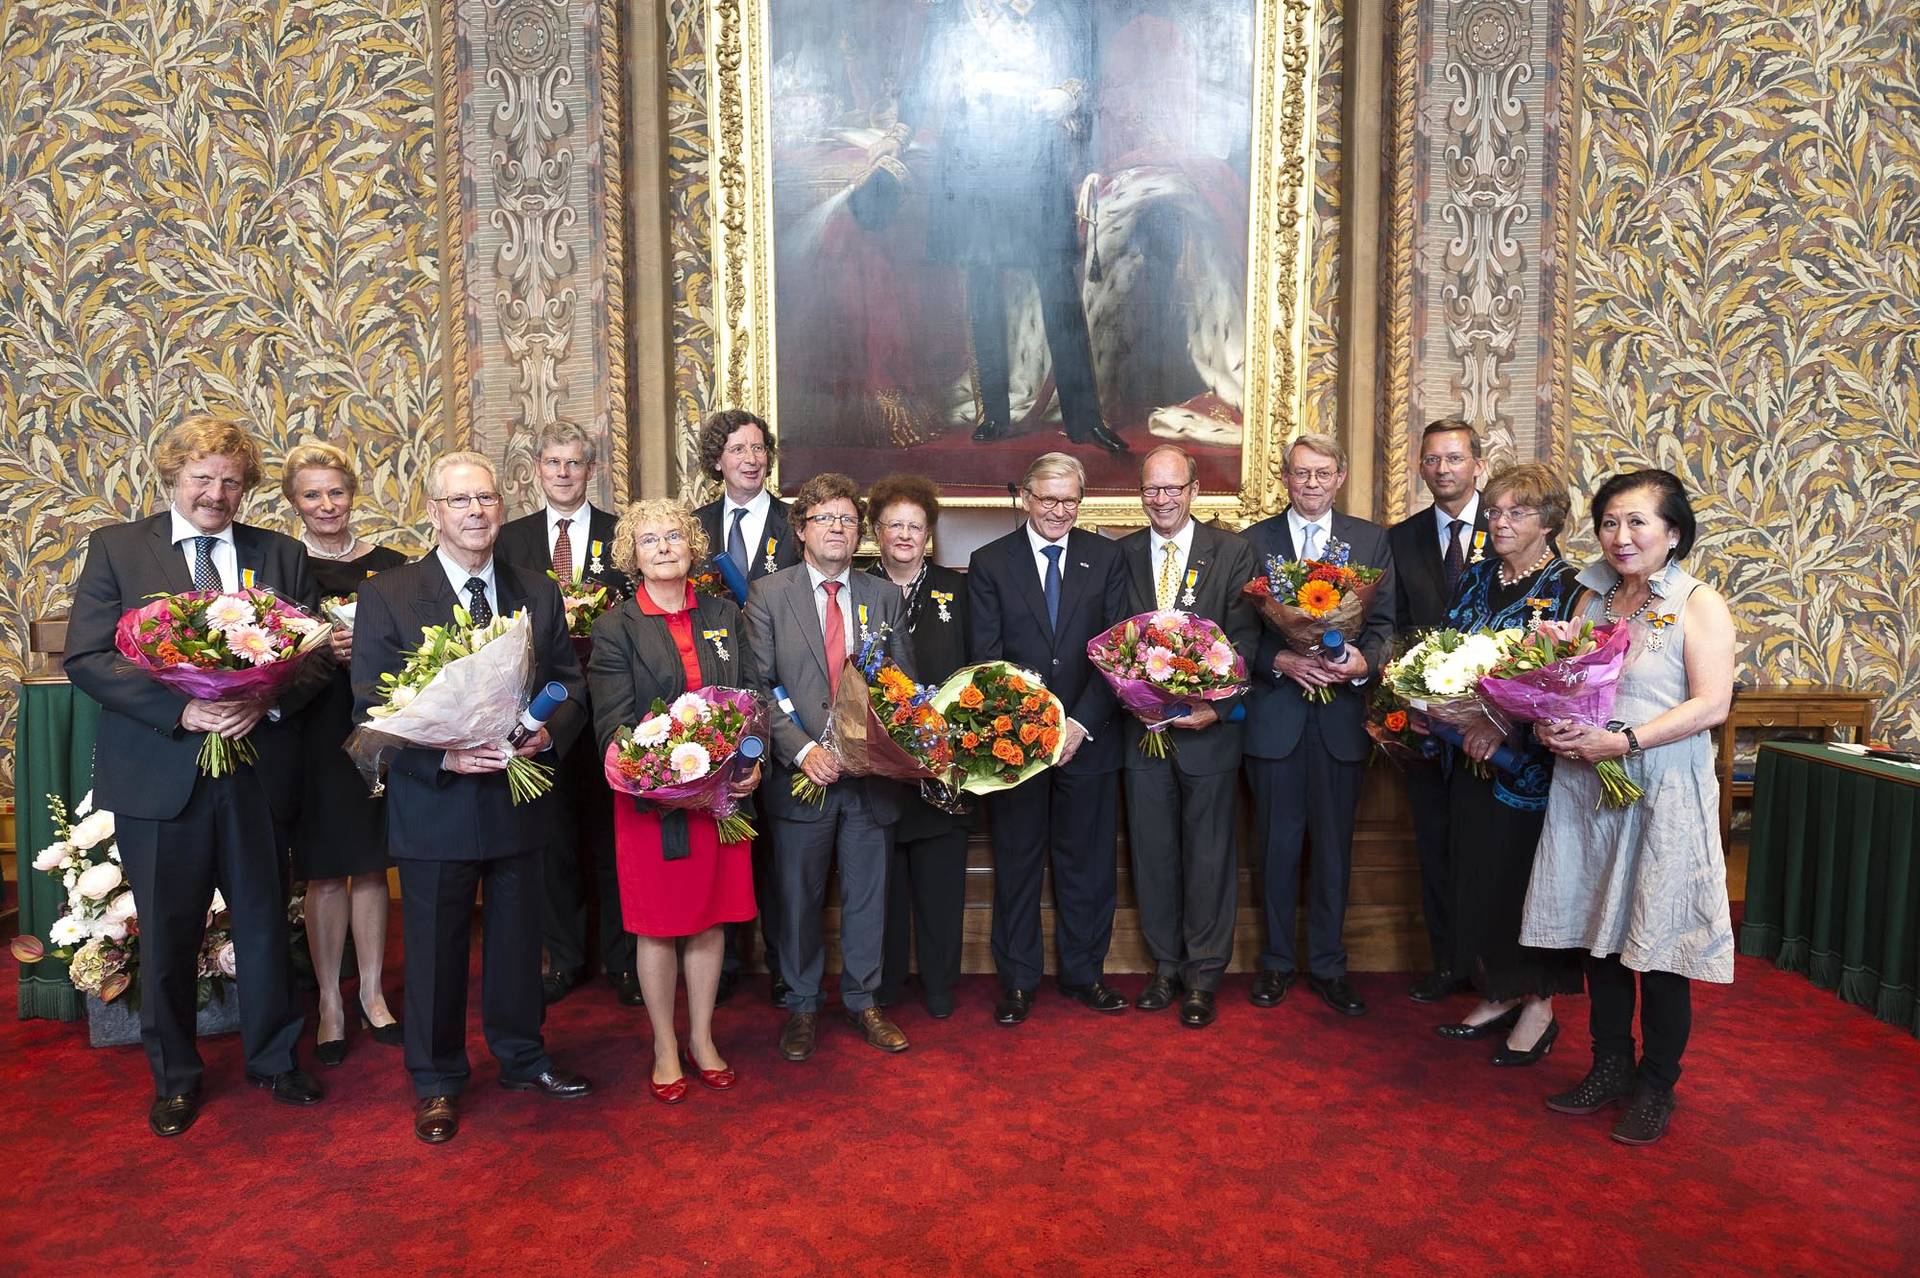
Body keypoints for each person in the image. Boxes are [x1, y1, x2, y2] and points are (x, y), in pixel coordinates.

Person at [64, 414, 325, 1137]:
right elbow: (88, 657)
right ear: (173, 478)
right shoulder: (119, 549)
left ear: (246, 489)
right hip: (159, 776)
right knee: (168, 933)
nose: (216, 493)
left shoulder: (280, 554)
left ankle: (275, 1060)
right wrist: (181, 712)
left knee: (266, 923)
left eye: (231, 482)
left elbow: (314, 659)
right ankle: (175, 1078)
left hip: (255, 772)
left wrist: (264, 701)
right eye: (202, 478)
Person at [351, 451, 592, 1145]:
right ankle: (436, 1080)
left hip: (518, 795)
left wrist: (548, 733)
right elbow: (369, 709)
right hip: (435, 802)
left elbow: (569, 683)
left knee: (519, 943)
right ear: (434, 512)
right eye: (459, 500)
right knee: (433, 950)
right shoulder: (390, 594)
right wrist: (444, 754)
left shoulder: (536, 589)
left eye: (485, 498)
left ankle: (522, 1057)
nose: (475, 511)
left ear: (501, 507)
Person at [1524, 469, 1736, 1145]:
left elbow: (1712, 703)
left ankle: (1656, 1085)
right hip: (1590, 787)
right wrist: (1551, 723)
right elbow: (1570, 684)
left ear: (1673, 533)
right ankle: (1610, 1066)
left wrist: (1625, 741)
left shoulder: (1699, 603)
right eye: (1610, 522)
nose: (1621, 536)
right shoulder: (1592, 598)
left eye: (1638, 522)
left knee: (1659, 941)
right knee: (1600, 934)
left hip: (1661, 789)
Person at [586, 500, 759, 1103]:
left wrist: (751, 763)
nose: (663, 547)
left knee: (710, 918)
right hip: (650, 803)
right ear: (632, 556)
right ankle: (664, 1045)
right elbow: (612, 726)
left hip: (721, 801)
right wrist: (668, 782)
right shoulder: (616, 627)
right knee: (657, 927)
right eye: (649, 539)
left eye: (674, 536)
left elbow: (751, 698)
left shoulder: (724, 613)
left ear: (692, 546)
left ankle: (703, 1039)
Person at [742, 472, 917, 1061]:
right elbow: (756, 687)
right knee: (798, 899)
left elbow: (903, 686)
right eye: (825, 518)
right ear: (801, 528)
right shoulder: (769, 594)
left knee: (868, 897)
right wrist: (802, 750)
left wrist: (879, 747)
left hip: (870, 781)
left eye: (847, 519)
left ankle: (865, 1002)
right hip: (802, 778)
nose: (837, 528)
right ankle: (801, 1006)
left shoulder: (883, 595)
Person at [966, 453, 1131, 1026]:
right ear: (1026, 498)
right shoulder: (990, 562)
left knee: (1087, 865)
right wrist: (1033, 730)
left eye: (1069, 501)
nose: (1058, 511)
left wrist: (1079, 726)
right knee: (1017, 864)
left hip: (1090, 739)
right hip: (1016, 747)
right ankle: (1017, 982)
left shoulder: (1107, 558)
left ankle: (1087, 975)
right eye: (1047, 499)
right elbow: (987, 659)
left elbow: (1116, 653)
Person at [1431, 464, 1584, 1064]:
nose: (1499, 522)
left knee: (1525, 883)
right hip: (1467, 756)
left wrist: (1497, 726)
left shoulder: (1570, 587)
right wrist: (1435, 703)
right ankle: (1499, 990)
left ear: (1548, 522)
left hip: (1530, 770)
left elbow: (1569, 683)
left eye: (1516, 512)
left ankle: (1539, 1005)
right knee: (1479, 878)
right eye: (1494, 511)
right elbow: (1445, 653)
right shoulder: (1475, 577)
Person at [1241, 432, 1396, 1019]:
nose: (1311, 483)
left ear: (1340, 477)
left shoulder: (1370, 540)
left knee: (1334, 851)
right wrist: (1279, 659)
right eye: (1301, 472)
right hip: (1275, 719)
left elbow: (1385, 626)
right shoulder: (1253, 542)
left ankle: (1329, 965)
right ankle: (1276, 963)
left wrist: (1363, 664)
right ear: (1285, 477)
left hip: (1342, 720)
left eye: (1322, 473)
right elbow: (1236, 632)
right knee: (1275, 848)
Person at [1116, 444, 1259, 1028]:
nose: (1162, 499)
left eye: (1172, 488)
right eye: (1151, 489)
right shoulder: (1121, 554)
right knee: (1152, 855)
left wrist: (1214, 708)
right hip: (1142, 736)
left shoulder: (1233, 552)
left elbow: (1246, 641)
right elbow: (1109, 640)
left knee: (1209, 857)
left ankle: (1203, 975)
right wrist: (1136, 698)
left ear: (1194, 490)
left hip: (1209, 738)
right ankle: (1165, 967)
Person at [495, 423, 636, 1008]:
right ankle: (565, 960)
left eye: (573, 463)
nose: (562, 472)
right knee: (553, 843)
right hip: (541, 713)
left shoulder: (621, 534)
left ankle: (624, 963)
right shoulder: (510, 539)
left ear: (590, 470)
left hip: (608, 708)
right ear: (537, 469)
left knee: (614, 838)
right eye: (552, 462)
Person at [280, 442, 407, 1065]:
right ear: (294, 502)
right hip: (312, 730)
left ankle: (373, 993)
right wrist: (318, 651)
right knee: (326, 870)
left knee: (371, 865)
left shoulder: (393, 566)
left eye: (336, 491)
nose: (327, 504)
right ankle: (330, 999)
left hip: (376, 728)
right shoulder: (281, 568)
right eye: (312, 494)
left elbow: (416, 645)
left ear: (353, 494)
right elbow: (263, 653)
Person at [690, 407, 799, 1006]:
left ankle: (784, 965)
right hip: (715, 698)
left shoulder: (795, 525)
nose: (751, 459)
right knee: (722, 831)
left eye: (759, 448)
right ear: (718, 460)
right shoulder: (693, 528)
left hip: (783, 698)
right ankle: (725, 962)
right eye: (738, 449)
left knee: (779, 847)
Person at [864, 475, 974, 1020]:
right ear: (876, 531)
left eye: (916, 526)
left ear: (929, 533)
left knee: (940, 881)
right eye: (895, 525)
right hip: (876, 766)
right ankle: (884, 984)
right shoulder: (857, 589)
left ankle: (939, 984)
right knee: (881, 883)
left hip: (941, 763)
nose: (905, 535)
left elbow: (977, 668)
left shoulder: (958, 589)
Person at [1387, 418, 1489, 1003]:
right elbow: (1395, 627)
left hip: (1494, 726)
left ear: (1478, 464)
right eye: (1432, 459)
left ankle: (1491, 968)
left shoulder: (1509, 526)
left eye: (1454, 458)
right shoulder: (1400, 539)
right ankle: (1447, 963)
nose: (1442, 469)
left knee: (1487, 849)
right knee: (1436, 844)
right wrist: (1411, 693)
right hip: (1425, 724)